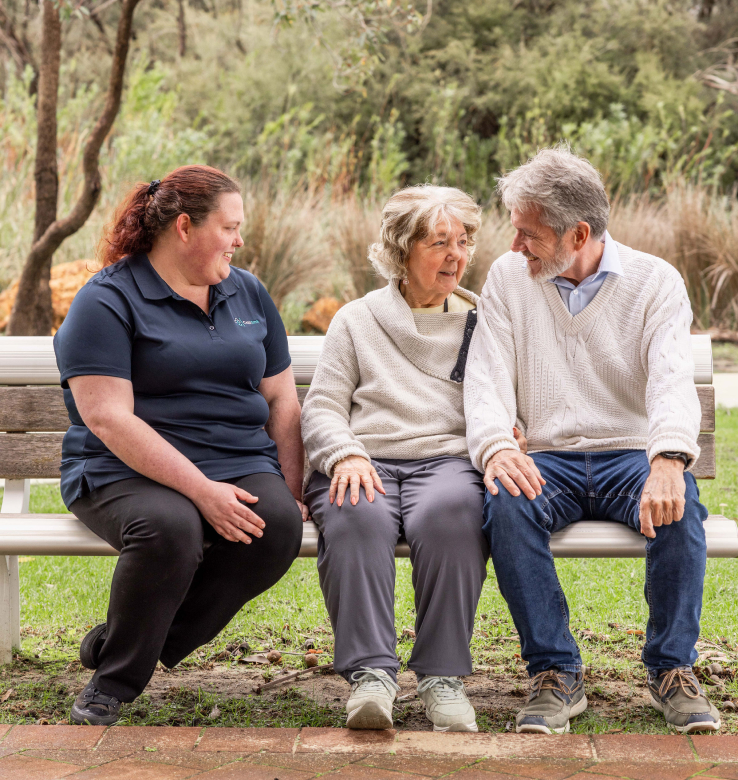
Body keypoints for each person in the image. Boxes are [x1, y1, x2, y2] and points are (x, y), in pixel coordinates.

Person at [464, 146, 720, 736]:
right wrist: (498, 447)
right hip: (545, 458)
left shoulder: (655, 282)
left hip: (630, 454)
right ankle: (555, 671)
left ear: (577, 233)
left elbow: (672, 381)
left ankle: (671, 669)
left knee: (681, 505)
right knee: (506, 503)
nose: (513, 245)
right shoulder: (508, 278)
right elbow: (485, 379)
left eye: (528, 233)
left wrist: (669, 459)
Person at [54, 165, 305, 725]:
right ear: (185, 227)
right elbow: (108, 419)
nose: (241, 241)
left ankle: (128, 640)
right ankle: (114, 682)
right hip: (122, 469)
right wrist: (201, 491)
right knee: (172, 527)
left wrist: (290, 485)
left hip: (237, 460)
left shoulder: (248, 292)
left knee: (279, 527)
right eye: (231, 227)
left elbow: (282, 400)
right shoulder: (108, 299)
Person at [302, 184, 511, 733]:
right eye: (440, 241)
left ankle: (442, 679)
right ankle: (372, 677)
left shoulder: (482, 322)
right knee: (356, 513)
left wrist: (514, 430)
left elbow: (509, 399)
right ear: (401, 250)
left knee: (452, 516)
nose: (456, 255)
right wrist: (344, 454)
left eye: (463, 241)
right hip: (363, 458)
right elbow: (321, 408)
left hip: (446, 462)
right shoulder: (357, 319)